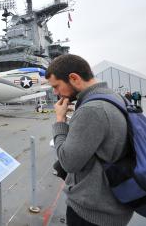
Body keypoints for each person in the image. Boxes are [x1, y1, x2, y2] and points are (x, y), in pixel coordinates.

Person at [46, 54, 133, 226]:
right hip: (113, 204)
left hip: (92, 214)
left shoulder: (92, 110)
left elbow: (68, 163)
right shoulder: (113, 97)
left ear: (74, 78)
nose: (55, 92)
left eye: (57, 86)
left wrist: (60, 120)